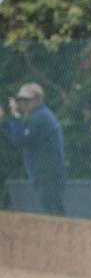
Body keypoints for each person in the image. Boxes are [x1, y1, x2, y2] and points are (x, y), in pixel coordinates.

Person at [3, 82, 67, 215]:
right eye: (20, 100)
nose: (22, 103)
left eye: (27, 100)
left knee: (52, 212)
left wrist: (16, 116)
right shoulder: (36, 116)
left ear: (38, 99)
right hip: (45, 173)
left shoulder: (40, 117)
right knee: (52, 211)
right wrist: (3, 122)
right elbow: (17, 135)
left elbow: (19, 140)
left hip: (48, 174)